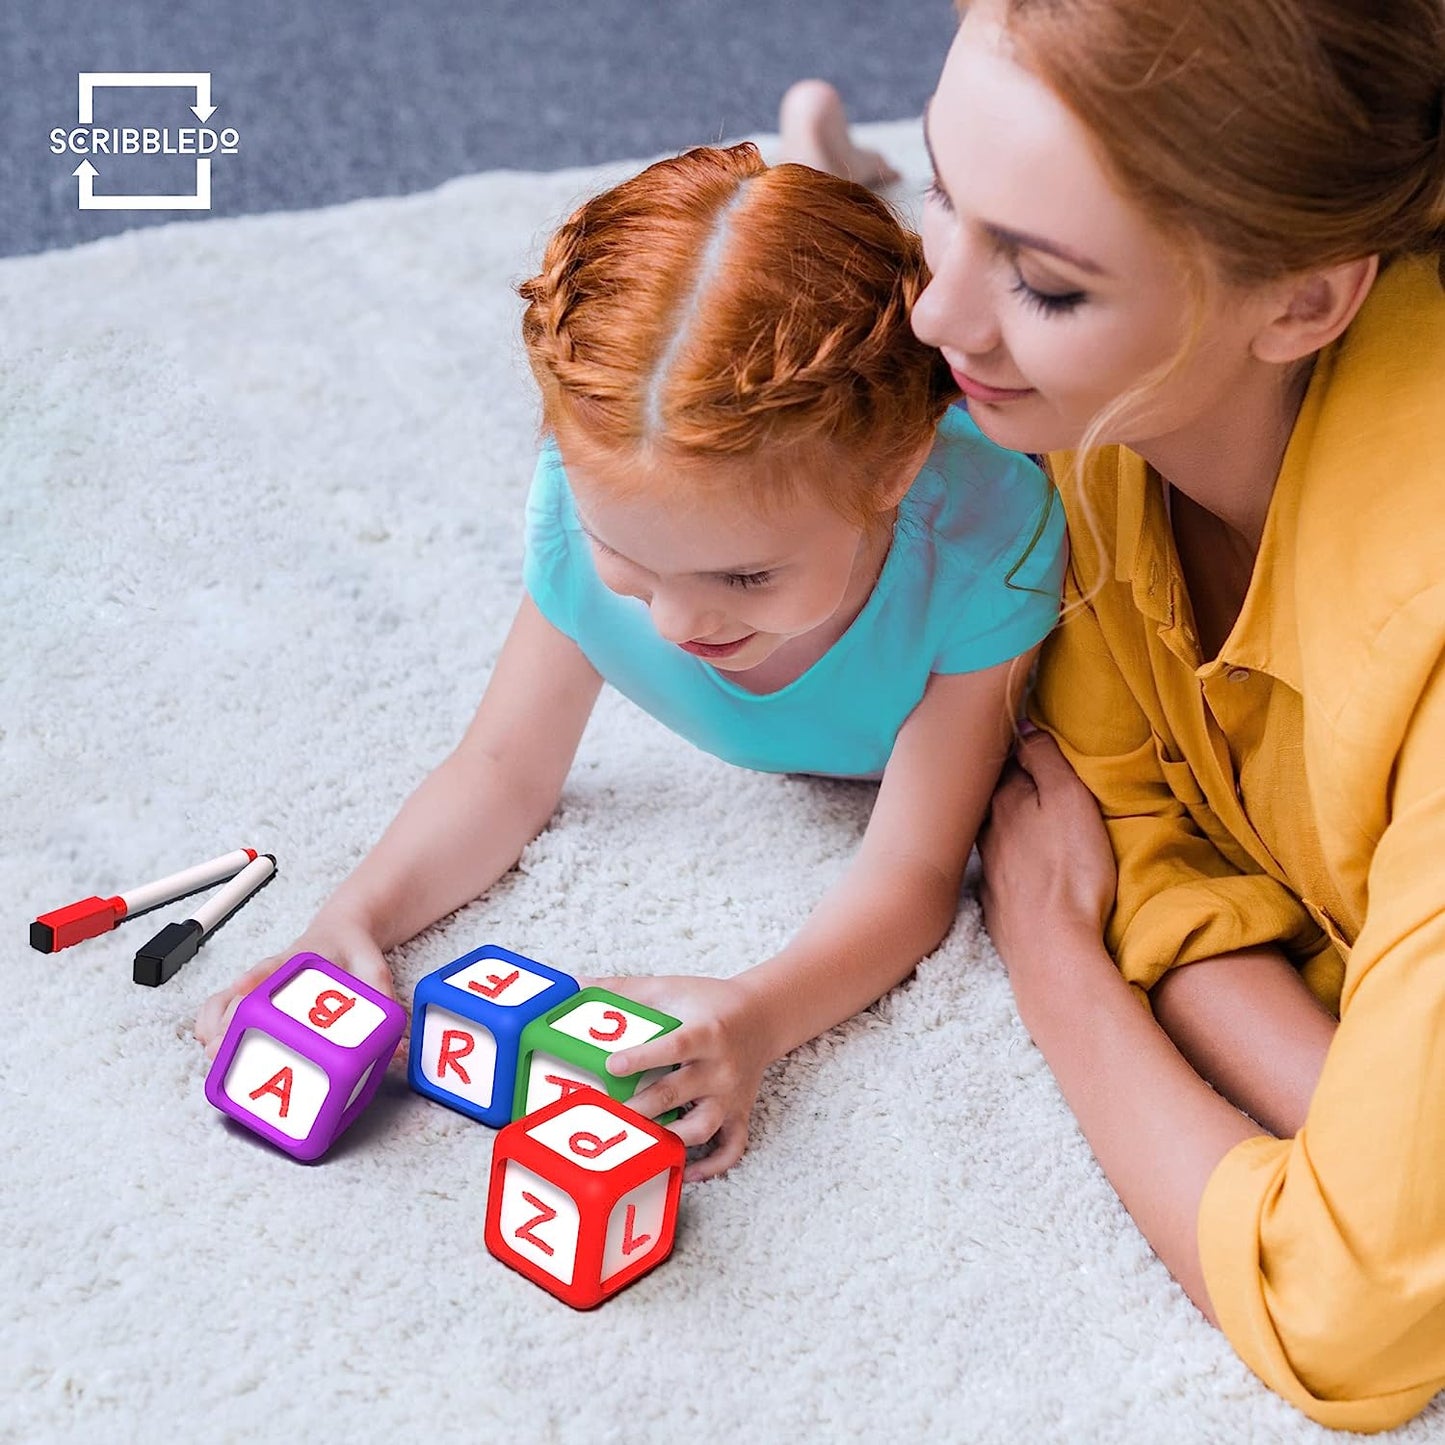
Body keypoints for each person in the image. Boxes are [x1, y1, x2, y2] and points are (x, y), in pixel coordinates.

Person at [194, 141, 1066, 1183]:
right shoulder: (582, 500)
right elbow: (500, 771)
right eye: (633, 563)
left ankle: (830, 154)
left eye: (743, 578)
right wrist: (353, 916)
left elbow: (915, 868)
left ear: (899, 472)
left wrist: (758, 1011)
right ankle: (823, 150)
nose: (676, 623)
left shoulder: (988, 548)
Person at [890, 0, 1445, 1431]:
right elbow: (1118, 806)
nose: (935, 313)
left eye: (1047, 285)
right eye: (941, 190)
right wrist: (1336, 1092)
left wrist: (1056, 961)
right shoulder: (1093, 425)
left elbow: (1352, 1314)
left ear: (1308, 299)